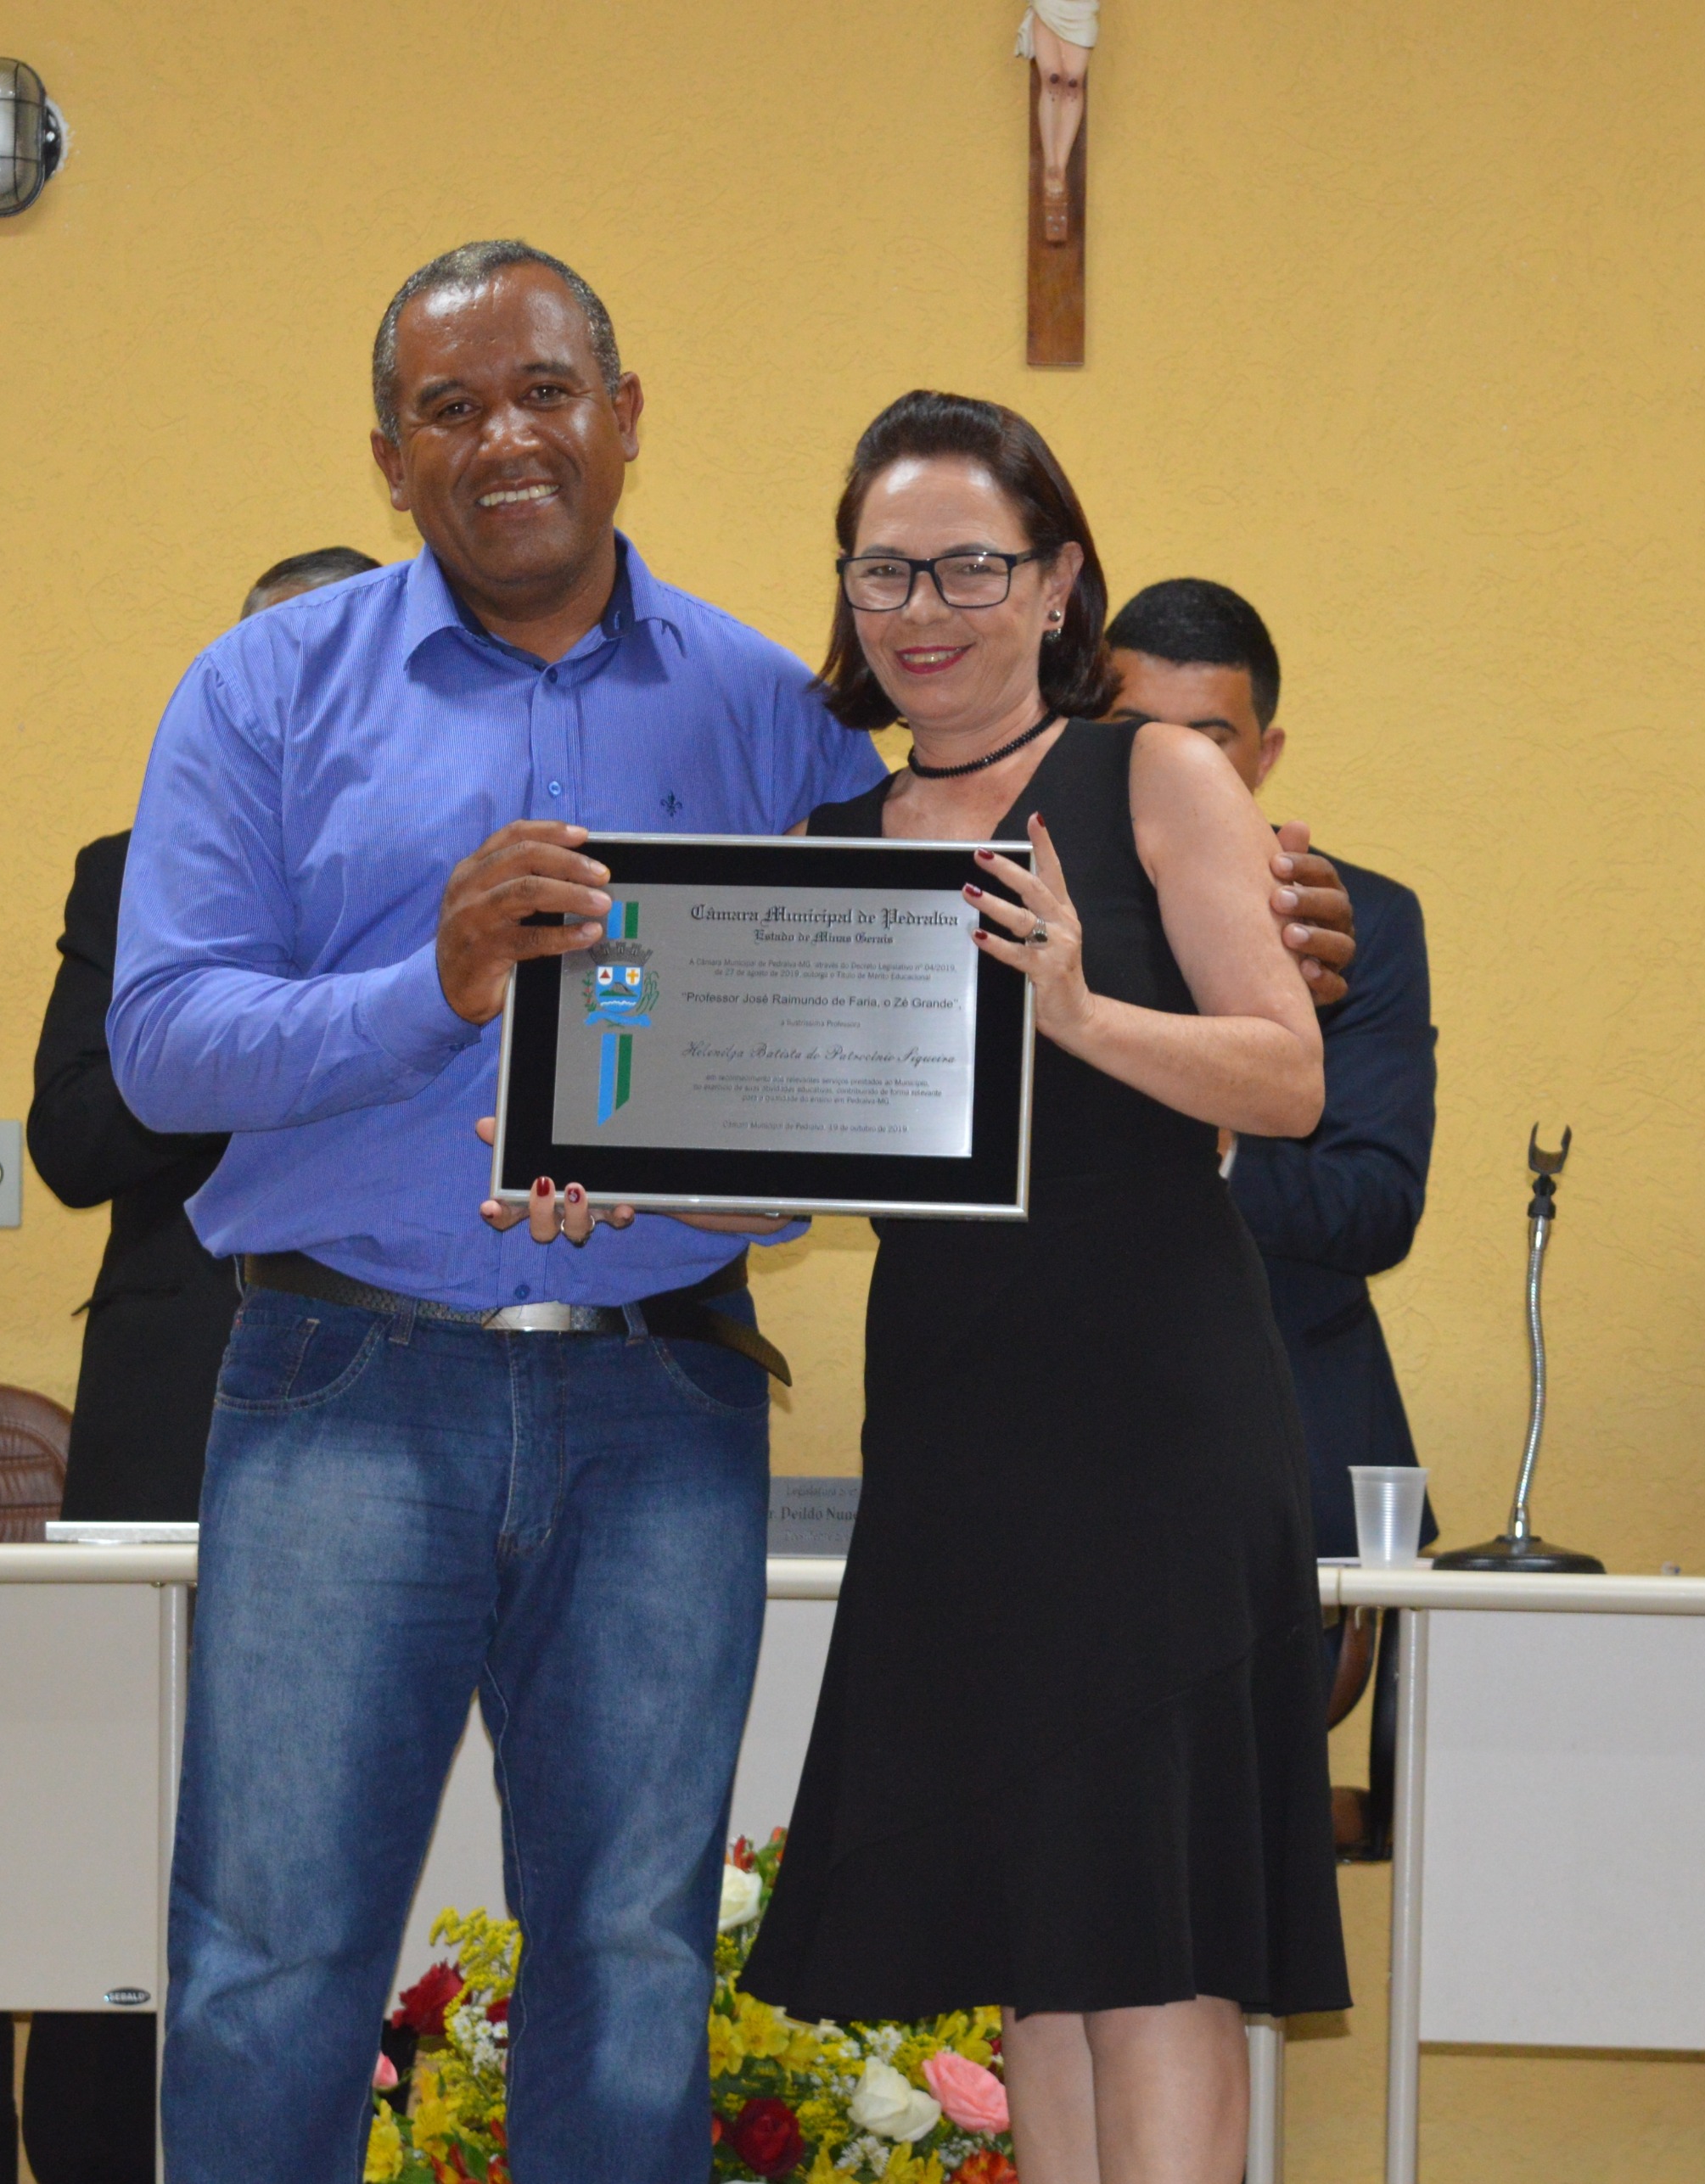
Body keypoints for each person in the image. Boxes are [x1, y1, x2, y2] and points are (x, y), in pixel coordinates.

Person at [109, 241, 1354, 2183]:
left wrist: (1253, 935)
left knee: (635, 1960)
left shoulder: (773, 718)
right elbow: (160, 1048)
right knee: (269, 1959)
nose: (504, 438)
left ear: (623, 418)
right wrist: (434, 983)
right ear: (386, 455)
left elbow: (882, 1016)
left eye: (544, 390)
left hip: (663, 1401)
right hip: (346, 1379)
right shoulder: (262, 691)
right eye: (448, 407)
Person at [740, 393, 1350, 2184]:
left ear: (1059, 576)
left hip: (1155, 1422)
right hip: (956, 1431)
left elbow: (1287, 1077)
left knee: (1153, 1944)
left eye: (968, 567)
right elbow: (780, 1178)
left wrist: (1077, 1010)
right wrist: (602, 1167)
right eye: (882, 572)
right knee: (1040, 1935)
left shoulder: (1153, 774)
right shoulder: (833, 843)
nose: (920, 611)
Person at [15, 543, 377, 2184]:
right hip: (179, 1420)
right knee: (134, 1827)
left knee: (372, 1821)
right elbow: (75, 1141)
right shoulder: (134, 874)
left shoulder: (480, 885)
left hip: (415, 1392)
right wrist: (281, 1037)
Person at [1108, 575, 1437, 1859]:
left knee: (1235, 1876)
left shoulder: (1355, 921)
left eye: (1211, 739)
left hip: (1283, 1460)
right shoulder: (1029, 909)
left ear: (1268, 754)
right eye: (1137, 734)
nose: (1176, 767)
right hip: (1057, 1447)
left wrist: (1209, 1131)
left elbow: (1375, 1204)